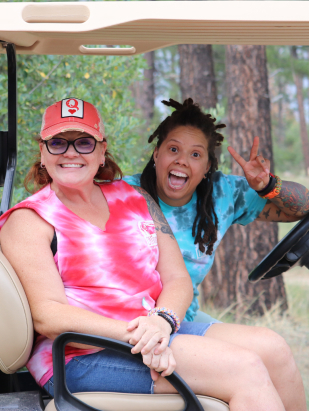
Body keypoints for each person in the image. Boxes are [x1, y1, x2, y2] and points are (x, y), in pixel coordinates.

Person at [0, 98, 306, 411]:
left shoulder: (135, 198)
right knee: (244, 369)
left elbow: (177, 277)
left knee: (274, 349)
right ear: (42, 152)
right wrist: (143, 336)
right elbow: (49, 316)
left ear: (102, 151)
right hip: (81, 355)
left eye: (84, 142)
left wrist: (161, 322)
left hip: (149, 332)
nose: (71, 152)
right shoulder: (29, 220)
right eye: (57, 143)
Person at [123, 98, 309, 323]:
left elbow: (301, 208)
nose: (182, 160)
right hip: (130, 319)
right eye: (173, 149)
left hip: (183, 318)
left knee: (264, 350)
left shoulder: (223, 193)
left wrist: (268, 185)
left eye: (195, 154)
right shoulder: (123, 194)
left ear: (207, 167)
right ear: (156, 154)